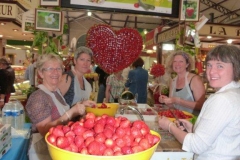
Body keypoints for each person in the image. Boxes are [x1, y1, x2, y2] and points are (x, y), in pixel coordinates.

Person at [158, 45, 240, 160]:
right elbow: (223, 135)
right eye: (210, 65)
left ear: (236, 68)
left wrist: (169, 126)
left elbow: (197, 145)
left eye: (220, 66)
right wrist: (194, 129)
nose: (212, 71)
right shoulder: (234, 93)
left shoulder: (223, 99)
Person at [25, 53, 96, 160]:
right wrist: (71, 113)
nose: (55, 72)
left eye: (58, 68)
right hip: (44, 153)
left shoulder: (56, 92)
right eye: (49, 69)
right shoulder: (38, 98)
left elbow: (62, 113)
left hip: (59, 150)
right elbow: (44, 131)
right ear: (40, 73)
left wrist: (80, 105)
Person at [159, 51, 205, 115]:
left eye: (181, 61)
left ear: (187, 64)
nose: (177, 64)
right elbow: (173, 107)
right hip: (178, 121)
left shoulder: (195, 79)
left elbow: (201, 106)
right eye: (175, 61)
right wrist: (166, 100)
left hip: (193, 122)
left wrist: (177, 100)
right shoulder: (173, 81)